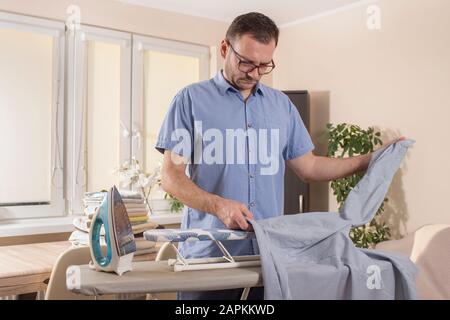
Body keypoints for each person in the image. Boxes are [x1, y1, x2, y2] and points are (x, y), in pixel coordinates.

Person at [155, 12, 403, 300]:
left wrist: (367, 160)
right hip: (209, 258)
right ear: (225, 49)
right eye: (246, 62)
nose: (255, 73)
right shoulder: (190, 100)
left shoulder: (281, 106)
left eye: (264, 65)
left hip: (269, 258)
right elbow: (171, 178)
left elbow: (309, 167)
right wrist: (219, 206)